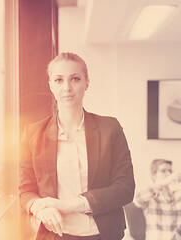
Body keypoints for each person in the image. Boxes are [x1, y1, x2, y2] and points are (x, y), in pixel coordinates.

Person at [18, 52, 135, 240]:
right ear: (50, 85)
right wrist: (39, 209)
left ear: (86, 82)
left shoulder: (110, 128)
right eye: (58, 80)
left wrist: (68, 205)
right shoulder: (33, 133)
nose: (67, 88)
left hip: (103, 235)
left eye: (75, 79)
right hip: (56, 235)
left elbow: (125, 189)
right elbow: (25, 191)